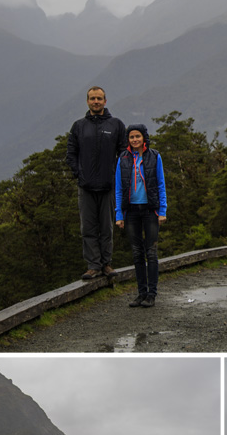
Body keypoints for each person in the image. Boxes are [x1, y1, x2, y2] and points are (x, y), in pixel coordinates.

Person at [66, 86, 126, 281]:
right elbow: (71, 153)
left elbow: (124, 153)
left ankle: (106, 264)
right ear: (87, 102)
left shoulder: (116, 125)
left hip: (109, 186)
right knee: (88, 228)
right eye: (92, 98)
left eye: (99, 98)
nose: (96, 101)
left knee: (107, 227)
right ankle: (93, 266)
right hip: (86, 187)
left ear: (105, 101)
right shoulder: (79, 126)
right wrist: (79, 174)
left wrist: (117, 176)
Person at [115, 124, 167, 308]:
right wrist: (119, 214)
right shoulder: (123, 158)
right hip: (131, 211)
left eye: (138, 136)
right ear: (128, 139)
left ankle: (152, 294)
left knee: (151, 252)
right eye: (131, 137)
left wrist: (162, 211)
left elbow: (161, 184)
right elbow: (119, 189)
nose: (135, 139)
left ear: (144, 137)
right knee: (137, 253)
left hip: (150, 210)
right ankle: (141, 293)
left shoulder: (154, 156)